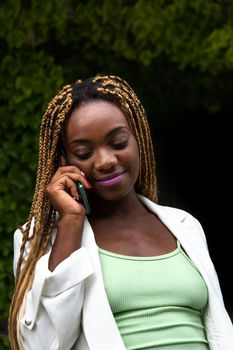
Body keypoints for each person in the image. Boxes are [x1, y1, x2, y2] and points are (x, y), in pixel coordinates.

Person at [8, 75, 233, 350]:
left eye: (118, 143)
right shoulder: (40, 238)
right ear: (64, 161)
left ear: (138, 140)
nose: (105, 161)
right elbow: (42, 345)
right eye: (84, 152)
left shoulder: (185, 226)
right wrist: (71, 222)